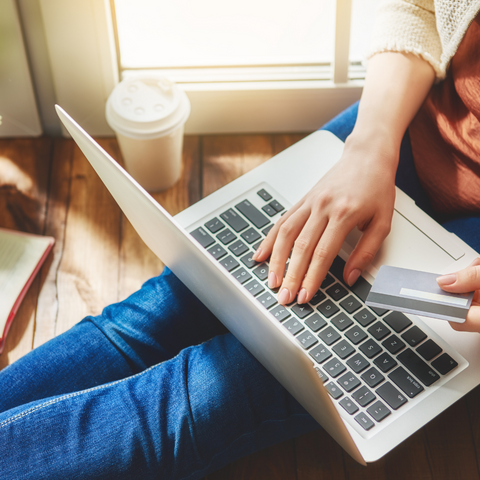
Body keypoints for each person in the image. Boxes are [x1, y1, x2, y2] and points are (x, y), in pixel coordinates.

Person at [1, 1, 480, 478]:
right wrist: (371, 144)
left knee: (205, 395)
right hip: (408, 124)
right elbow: (420, 7)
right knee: (163, 309)